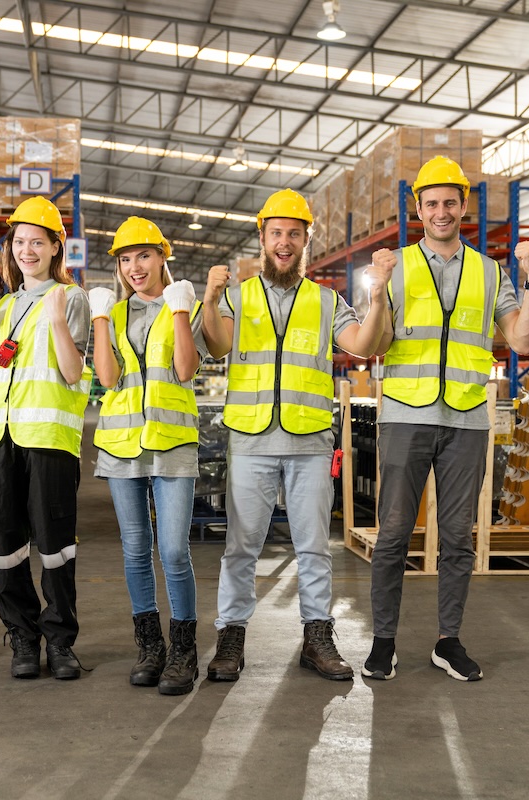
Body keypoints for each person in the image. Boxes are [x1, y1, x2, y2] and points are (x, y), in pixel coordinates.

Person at [364, 155, 529, 682]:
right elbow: (371, 345)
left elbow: (523, 340)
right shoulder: (393, 265)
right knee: (394, 533)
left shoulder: (492, 273)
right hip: (404, 416)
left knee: (459, 537)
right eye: (431, 203)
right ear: (417, 209)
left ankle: (448, 640)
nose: (441, 211)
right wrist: (377, 290)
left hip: (466, 418)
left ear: (464, 207)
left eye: (450, 202)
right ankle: (383, 641)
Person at [200, 189, 392, 682]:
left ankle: (316, 636)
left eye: (294, 234)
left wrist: (379, 296)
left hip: (308, 442)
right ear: (262, 238)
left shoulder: (328, 301)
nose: (284, 242)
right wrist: (208, 298)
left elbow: (364, 345)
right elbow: (217, 345)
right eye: (276, 233)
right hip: (252, 441)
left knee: (312, 547)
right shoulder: (237, 297)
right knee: (241, 547)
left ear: (307, 239)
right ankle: (231, 637)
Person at [0, 196, 92, 681]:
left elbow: (72, 371)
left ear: (55, 248)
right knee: (2, 542)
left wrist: (59, 320)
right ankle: (22, 634)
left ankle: (60, 641)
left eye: (37, 242)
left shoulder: (72, 298)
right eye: (19, 242)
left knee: (54, 543)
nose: (27, 250)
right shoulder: (1, 307)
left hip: (47, 438)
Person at [88, 217, 207, 696]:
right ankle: (151, 647)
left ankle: (184, 650)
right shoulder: (114, 315)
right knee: (136, 550)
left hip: (172, 442)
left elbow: (185, 369)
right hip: (122, 445)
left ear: (163, 257)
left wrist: (180, 312)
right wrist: (99, 318)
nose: (134, 267)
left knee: (174, 550)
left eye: (143, 256)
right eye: (124, 259)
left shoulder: (186, 305)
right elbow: (108, 377)